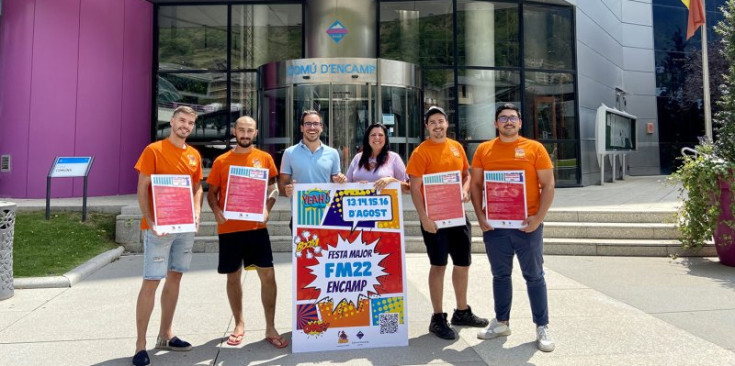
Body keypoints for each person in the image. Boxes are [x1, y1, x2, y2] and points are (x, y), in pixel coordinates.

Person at [469, 103, 555, 352]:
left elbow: (548, 185)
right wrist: (480, 215)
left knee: (534, 276)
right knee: (500, 275)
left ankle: (542, 326)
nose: (508, 122)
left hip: (527, 225)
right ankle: (502, 322)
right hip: (495, 226)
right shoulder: (484, 150)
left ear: (520, 123)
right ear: (496, 123)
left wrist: (538, 219)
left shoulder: (535, 148)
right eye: (503, 118)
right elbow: (475, 185)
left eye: (513, 118)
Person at [205, 116, 289, 349]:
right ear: (234, 131)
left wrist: (267, 208)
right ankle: (239, 324)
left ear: (255, 133)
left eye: (249, 130)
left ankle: (270, 327)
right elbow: (211, 194)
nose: (244, 134)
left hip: (256, 228)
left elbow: (273, 190)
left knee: (268, 276)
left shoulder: (264, 158)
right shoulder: (222, 161)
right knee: (233, 276)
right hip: (229, 229)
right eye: (241, 129)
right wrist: (216, 211)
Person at [405, 106, 489, 340]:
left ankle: (461, 312)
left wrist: (464, 189)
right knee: (439, 265)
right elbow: (414, 187)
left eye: (441, 121)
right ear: (427, 126)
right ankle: (437, 317)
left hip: (458, 216)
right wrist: (424, 218)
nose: (438, 125)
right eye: (433, 122)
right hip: (434, 219)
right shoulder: (421, 152)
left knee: (463, 264)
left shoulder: (456, 147)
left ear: (446, 123)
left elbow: (466, 174)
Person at [132, 106, 203, 366]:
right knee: (152, 281)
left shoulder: (194, 155)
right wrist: (150, 220)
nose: (185, 126)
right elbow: (143, 187)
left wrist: (196, 213)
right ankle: (140, 345)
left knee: (176, 276)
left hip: (184, 227)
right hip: (159, 228)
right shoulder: (154, 150)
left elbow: (197, 188)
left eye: (190, 122)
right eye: (181, 120)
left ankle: (166, 334)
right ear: (172, 122)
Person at [279, 109, 346, 200]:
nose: (312, 127)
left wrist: (341, 179)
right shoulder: (289, 153)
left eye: (316, 124)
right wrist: (286, 190)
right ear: (302, 128)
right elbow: (282, 185)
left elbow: (337, 183)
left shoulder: (333, 153)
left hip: (326, 211)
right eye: (308, 124)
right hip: (300, 211)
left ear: (321, 127)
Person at [346, 123, 409, 192]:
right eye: (373, 135)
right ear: (367, 138)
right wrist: (356, 186)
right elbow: (346, 184)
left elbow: (407, 187)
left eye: (380, 135)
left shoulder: (394, 158)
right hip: (359, 201)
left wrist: (391, 180)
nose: (377, 138)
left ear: (385, 138)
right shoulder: (358, 158)